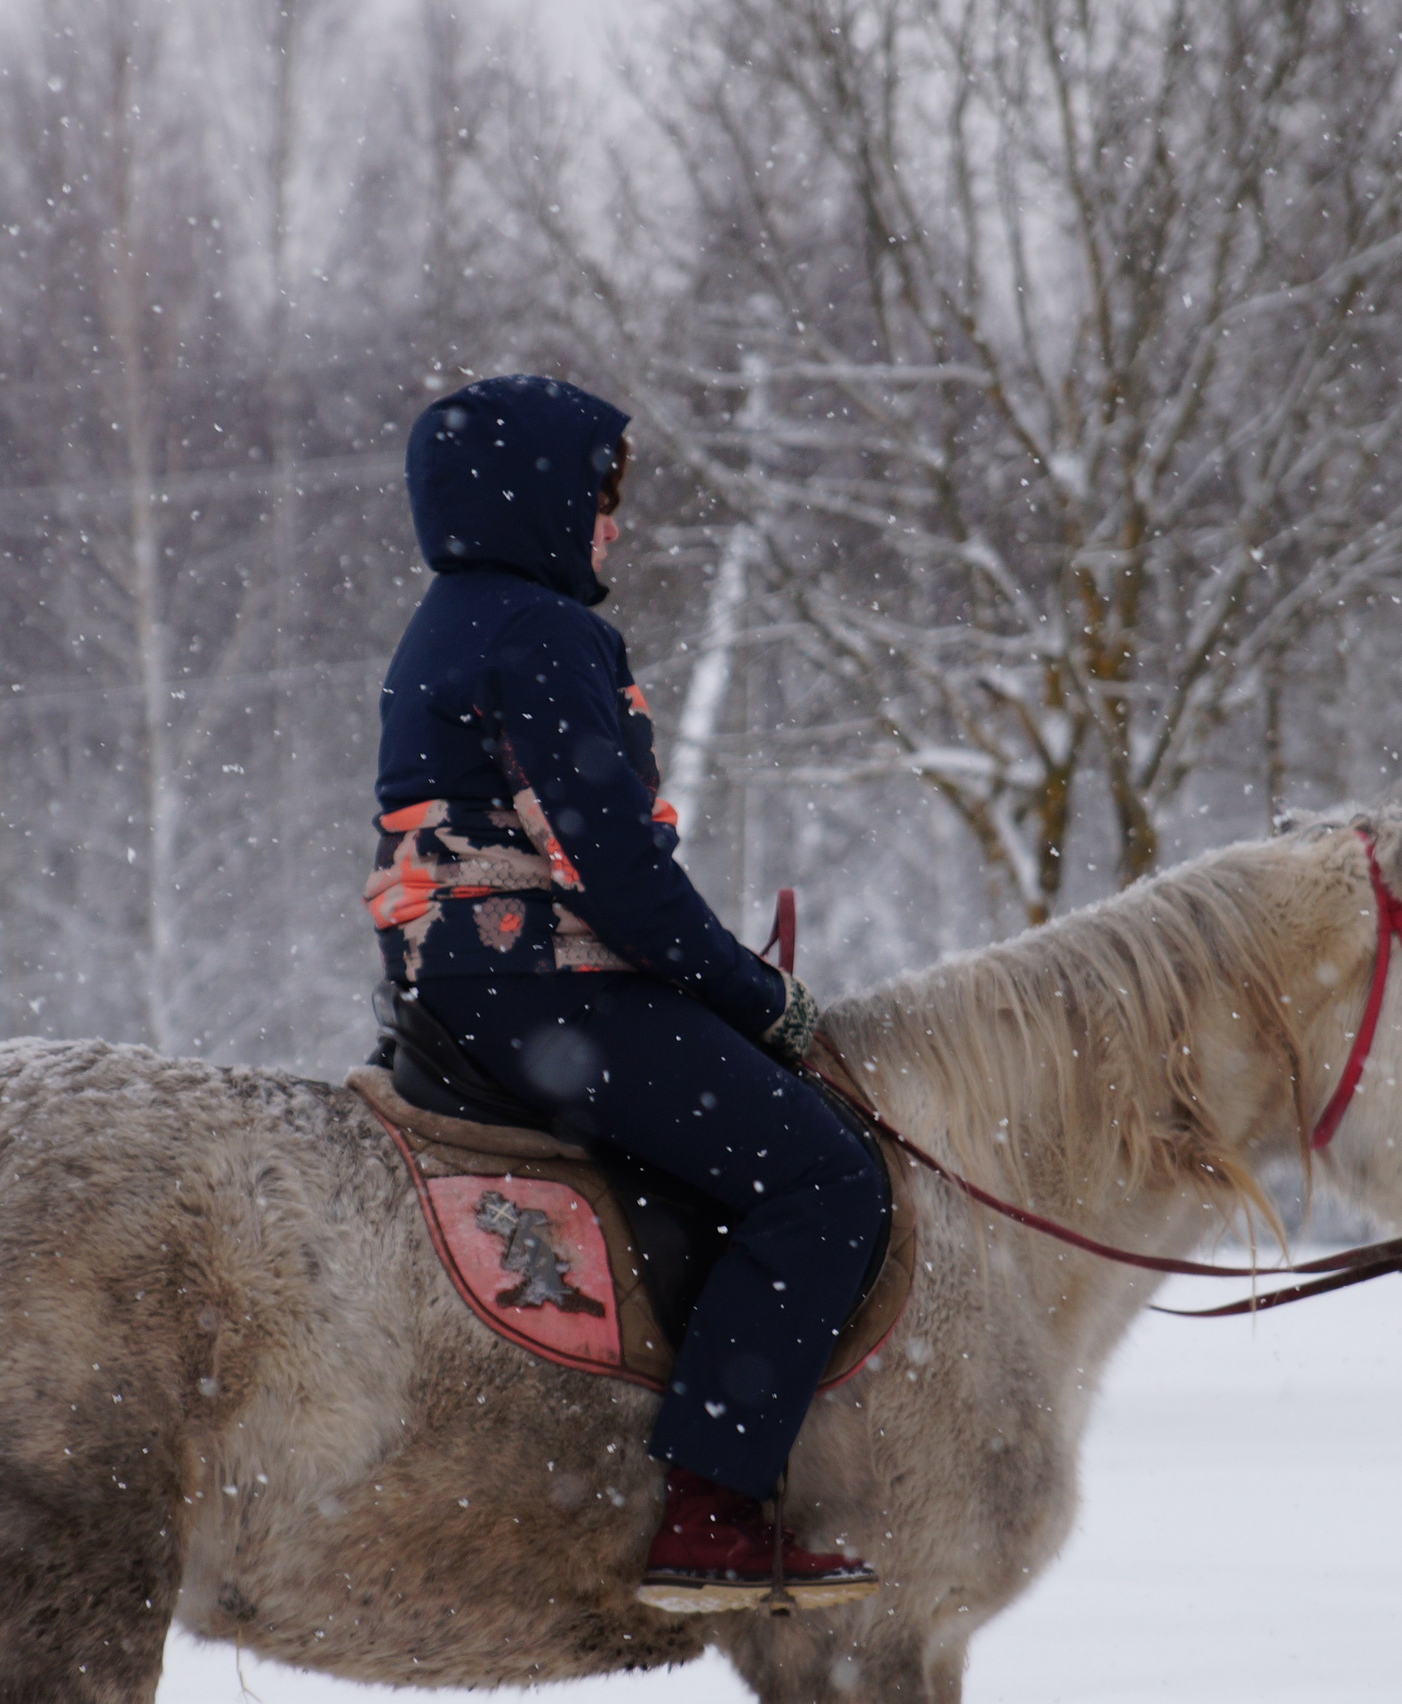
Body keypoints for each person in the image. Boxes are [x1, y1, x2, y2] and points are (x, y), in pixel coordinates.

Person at [365, 374, 889, 1610]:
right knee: (823, 1179)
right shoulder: (541, 632)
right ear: (536, 494)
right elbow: (611, 871)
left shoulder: (450, 618)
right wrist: (754, 994)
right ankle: (711, 1511)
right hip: (545, 989)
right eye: (604, 497)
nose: (614, 526)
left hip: (464, 984)